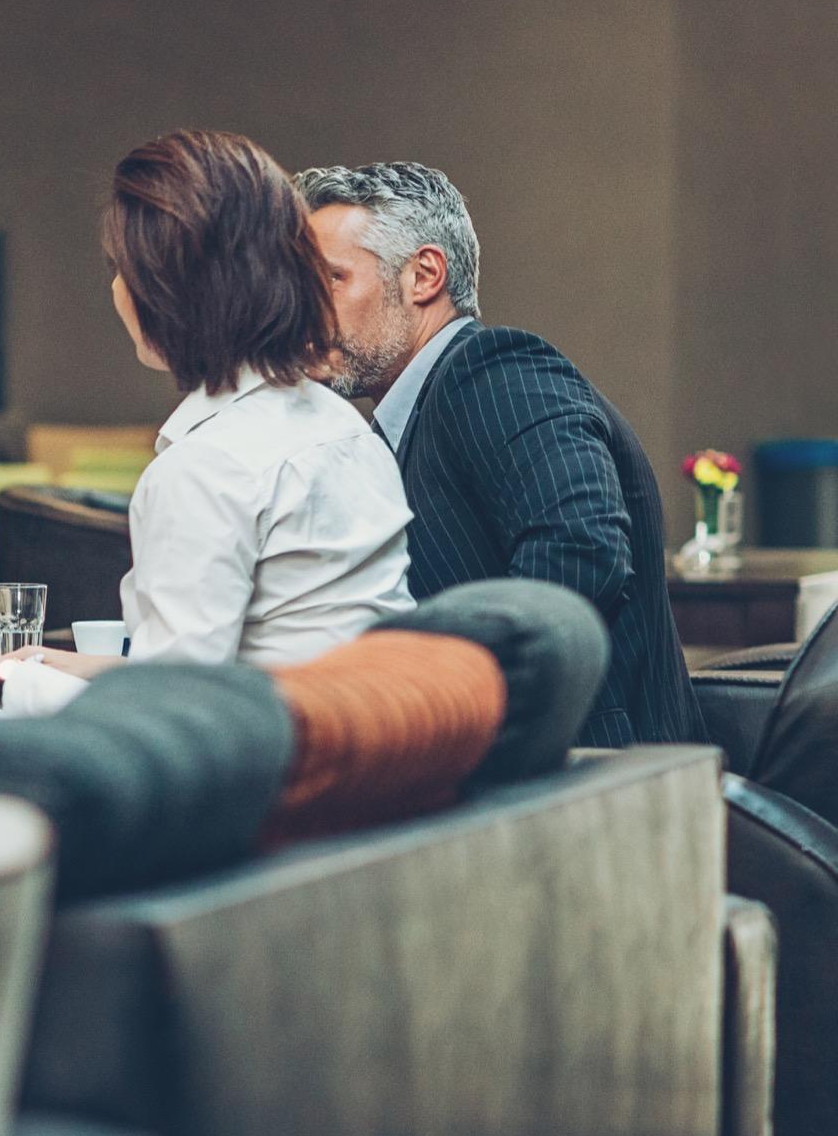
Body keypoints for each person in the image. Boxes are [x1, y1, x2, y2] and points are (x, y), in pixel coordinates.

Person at [0, 129, 412, 727]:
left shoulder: (208, 466)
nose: (114, 288)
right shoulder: (346, 431)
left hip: (263, 797)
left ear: (168, 292)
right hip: (358, 772)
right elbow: (245, 666)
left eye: (122, 267)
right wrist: (50, 668)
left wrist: (5, 690)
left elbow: (169, 715)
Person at [294, 160, 700, 747]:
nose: (304, 312)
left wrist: (430, 699)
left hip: (594, 777)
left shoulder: (492, 370)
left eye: (329, 280)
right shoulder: (401, 420)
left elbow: (581, 552)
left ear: (423, 275)